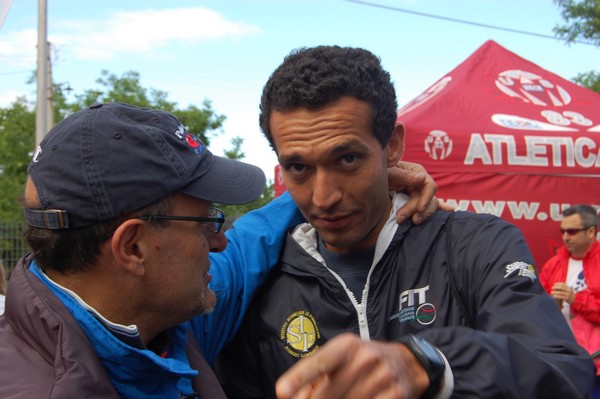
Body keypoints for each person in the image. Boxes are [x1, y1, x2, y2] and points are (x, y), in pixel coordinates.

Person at [214, 45, 595, 398]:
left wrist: (432, 365)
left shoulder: (475, 245)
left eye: (347, 159)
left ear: (393, 146)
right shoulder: (258, 278)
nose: (323, 197)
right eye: (298, 167)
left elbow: (563, 372)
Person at [0, 102, 437, 398]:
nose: (220, 240)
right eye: (208, 222)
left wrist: (361, 182)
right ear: (133, 248)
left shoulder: (155, 316)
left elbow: (249, 244)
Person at [540, 204, 600, 395]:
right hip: (562, 361)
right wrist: (551, 305)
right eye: (563, 231)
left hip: (596, 364)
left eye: (572, 231)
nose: (566, 237)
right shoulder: (554, 264)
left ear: (591, 231)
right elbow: (536, 308)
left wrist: (576, 299)